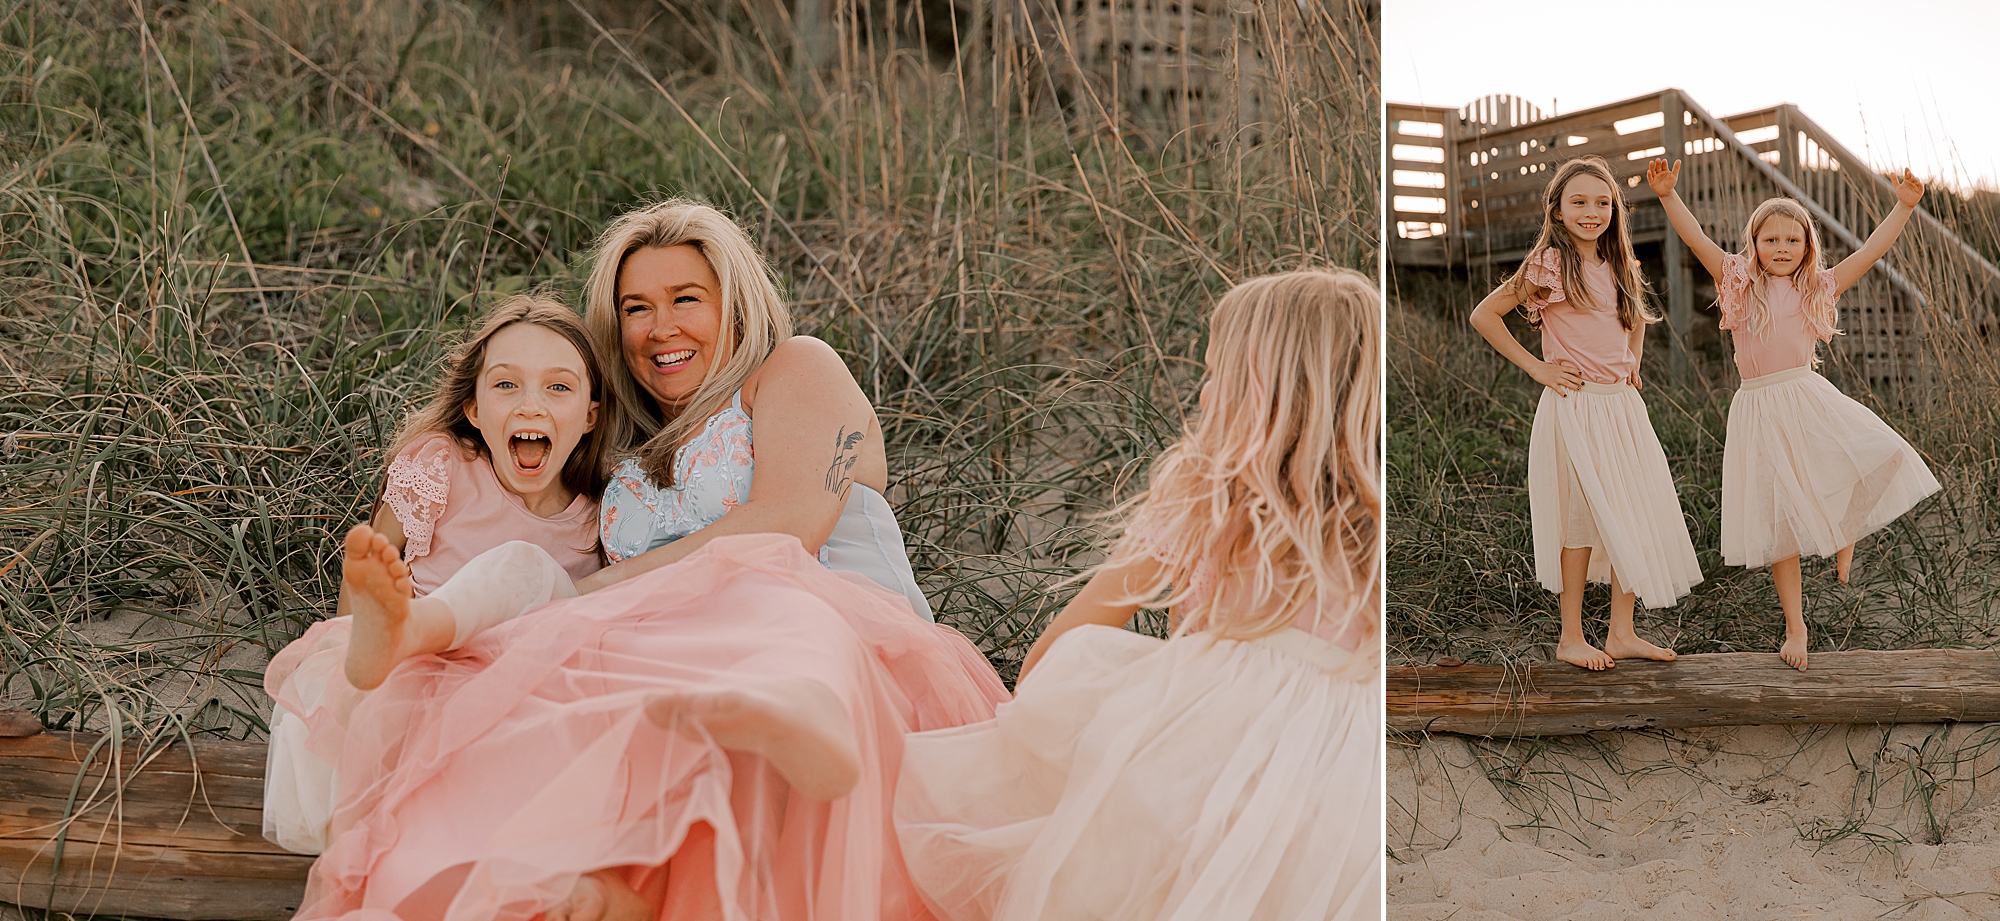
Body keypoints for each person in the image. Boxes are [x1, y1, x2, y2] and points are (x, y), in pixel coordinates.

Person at [279, 200, 1010, 921]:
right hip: (667, 659)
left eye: (685, 298)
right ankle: (542, 876)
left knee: (768, 587)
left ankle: (791, 705)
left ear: (734, 303)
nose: (660, 327)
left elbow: (785, 528)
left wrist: (587, 592)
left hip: (835, 638)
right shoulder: (626, 451)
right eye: (636, 307)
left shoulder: (794, 368)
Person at [895, 268, 1381, 920]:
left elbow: (1078, 627)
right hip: (1346, 776)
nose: (1203, 396)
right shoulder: (1373, 518)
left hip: (1210, 747)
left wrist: (1025, 725)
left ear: (1255, 388)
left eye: (1214, 376)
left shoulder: (1207, 489)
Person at [263, 294, 613, 854]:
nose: (530, 406)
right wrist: (352, 661)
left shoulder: (601, 514)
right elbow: (368, 569)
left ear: (590, 414)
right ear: (474, 409)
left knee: (526, 571)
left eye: (558, 387)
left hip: (519, 697)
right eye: (505, 385)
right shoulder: (445, 465)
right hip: (416, 673)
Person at [1649, 158, 1940, 670]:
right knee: (1779, 519)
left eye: (1792, 241)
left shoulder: (1817, 286)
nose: (1781, 249)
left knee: (1886, 454)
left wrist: (1903, 207)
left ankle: (1844, 532)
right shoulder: (1738, 281)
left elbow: (1870, 253)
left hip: (1805, 395)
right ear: (1754, 245)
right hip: (1758, 406)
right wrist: (1670, 197)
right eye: (1771, 240)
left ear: (1807, 246)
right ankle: (1795, 626)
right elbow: (1695, 239)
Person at [1467, 155, 1699, 670]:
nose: (1591, 212)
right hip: (1576, 407)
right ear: (1558, 209)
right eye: (1579, 202)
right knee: (1578, 521)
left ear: (1615, 209)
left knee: (1631, 515)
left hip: (1621, 407)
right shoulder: (1549, 264)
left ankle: (1621, 632)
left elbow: (1636, 318)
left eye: (1602, 203)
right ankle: (1571, 636)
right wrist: (1538, 368)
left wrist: (1632, 361)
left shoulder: (1619, 262)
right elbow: (1484, 315)